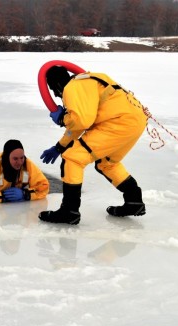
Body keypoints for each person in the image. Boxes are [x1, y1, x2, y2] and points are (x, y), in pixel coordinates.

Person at [38, 65, 147, 225]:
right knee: (107, 163)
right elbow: (79, 126)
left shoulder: (71, 87)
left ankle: (69, 211)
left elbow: (81, 120)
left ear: (57, 85)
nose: (55, 94)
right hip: (134, 122)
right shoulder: (88, 81)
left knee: (73, 158)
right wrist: (59, 147)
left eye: (53, 90)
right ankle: (134, 202)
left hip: (117, 122)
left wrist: (63, 118)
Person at [0, 139, 49, 204]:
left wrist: (25, 194)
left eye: (21, 157)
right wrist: (2, 197)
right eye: (15, 159)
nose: (19, 162)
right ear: (7, 158)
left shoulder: (26, 164)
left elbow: (44, 186)